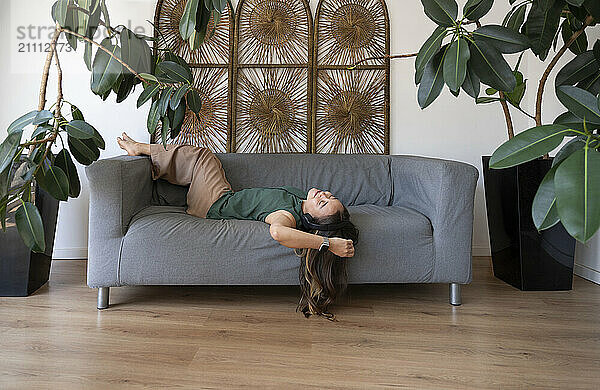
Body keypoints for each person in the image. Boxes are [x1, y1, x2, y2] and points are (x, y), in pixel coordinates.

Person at [117, 133, 359, 321]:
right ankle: (154, 168)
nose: (323, 195)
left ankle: (143, 150)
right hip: (223, 195)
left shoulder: (287, 215)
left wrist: (328, 243)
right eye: (329, 196)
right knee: (201, 162)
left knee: (202, 156)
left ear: (313, 220)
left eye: (323, 203)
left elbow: (278, 232)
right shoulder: (300, 198)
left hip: (215, 204)